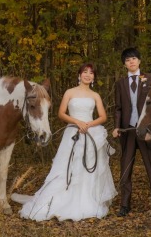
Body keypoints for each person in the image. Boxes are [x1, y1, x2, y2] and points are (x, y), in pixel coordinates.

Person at [12, 63, 116, 221]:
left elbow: (103, 117)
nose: (88, 75)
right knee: (66, 167)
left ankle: (86, 201)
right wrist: (77, 122)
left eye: (91, 73)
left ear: (94, 77)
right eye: (85, 72)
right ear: (79, 75)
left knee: (88, 168)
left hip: (90, 132)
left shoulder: (95, 95)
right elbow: (61, 113)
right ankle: (59, 200)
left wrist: (88, 124)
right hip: (72, 132)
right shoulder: (70, 92)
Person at [112, 47, 151, 217]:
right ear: (124, 64)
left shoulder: (150, 79)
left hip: (147, 130)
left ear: (139, 61)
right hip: (128, 131)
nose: (131, 62)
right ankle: (125, 205)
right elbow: (118, 108)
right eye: (127, 60)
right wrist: (116, 126)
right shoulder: (120, 83)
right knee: (125, 168)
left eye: (134, 58)